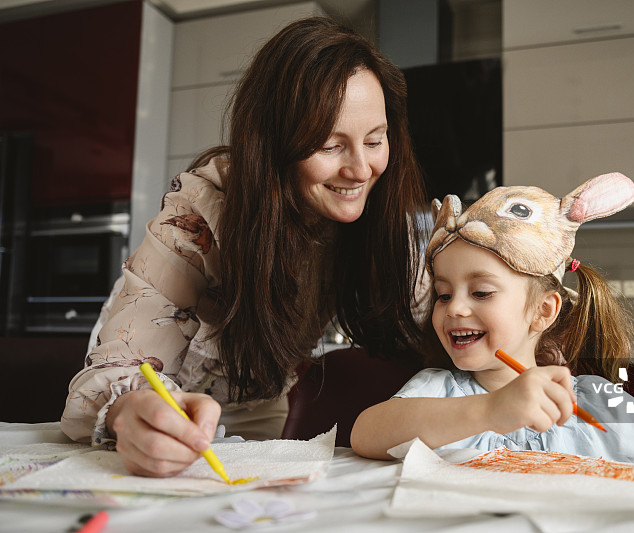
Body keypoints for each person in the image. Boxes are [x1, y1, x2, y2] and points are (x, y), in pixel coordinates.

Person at [61, 17, 428, 478]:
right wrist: (129, 411)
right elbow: (113, 370)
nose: (360, 170)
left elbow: (442, 315)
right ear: (274, 144)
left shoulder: (380, 217)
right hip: (165, 396)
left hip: (258, 398)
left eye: (374, 140)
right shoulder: (199, 212)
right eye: (330, 146)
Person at [350, 172, 634, 492]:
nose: (454, 308)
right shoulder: (440, 392)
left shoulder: (598, 403)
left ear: (543, 311)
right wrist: (490, 411)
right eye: (443, 294)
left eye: (481, 292)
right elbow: (366, 434)